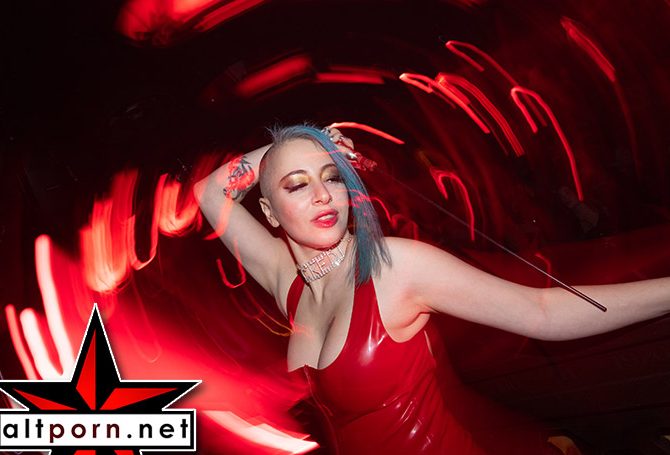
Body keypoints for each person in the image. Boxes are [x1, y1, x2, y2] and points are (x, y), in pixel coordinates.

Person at [194, 124, 670, 454]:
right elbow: (209, 193)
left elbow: (542, 311)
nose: (323, 195)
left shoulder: (393, 266)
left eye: (332, 176)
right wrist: (308, 138)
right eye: (297, 185)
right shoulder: (287, 280)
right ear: (270, 214)